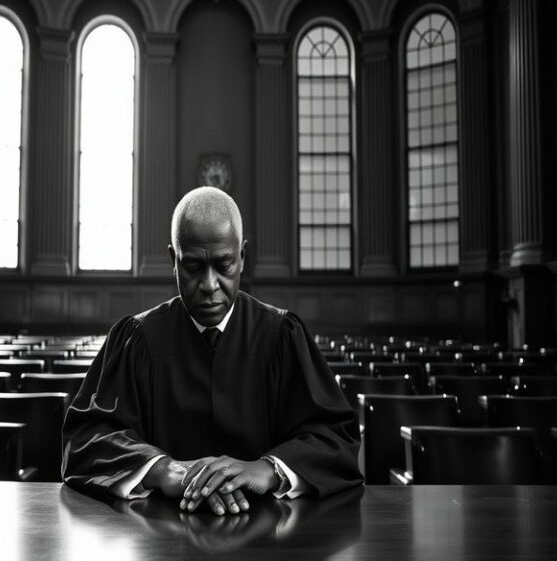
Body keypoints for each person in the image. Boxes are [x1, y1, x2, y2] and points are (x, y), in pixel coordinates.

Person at [62, 186, 362, 516]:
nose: (209, 285)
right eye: (193, 267)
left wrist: (268, 470)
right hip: (159, 532)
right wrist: (163, 470)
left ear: (243, 257)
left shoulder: (281, 336)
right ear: (173, 261)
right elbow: (86, 439)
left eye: (224, 265)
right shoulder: (138, 339)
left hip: (269, 536)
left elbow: (336, 439)